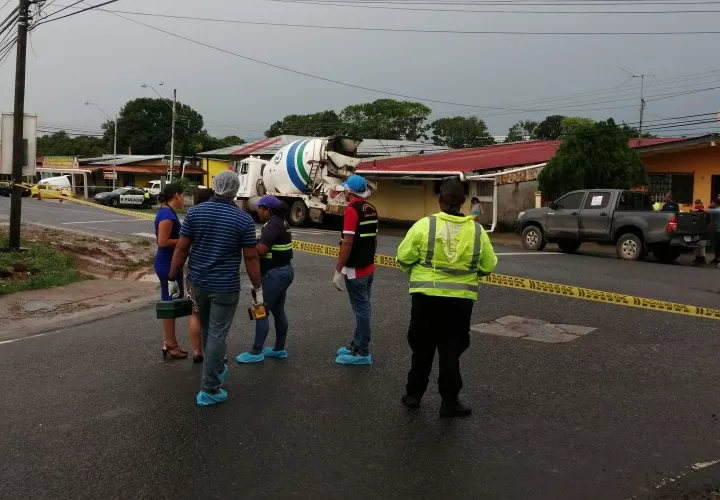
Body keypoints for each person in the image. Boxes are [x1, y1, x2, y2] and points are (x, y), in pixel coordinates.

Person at [397, 178, 498, 418]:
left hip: (425, 299)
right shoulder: (477, 231)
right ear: (463, 202)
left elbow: (404, 257)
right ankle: (450, 402)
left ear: (440, 200)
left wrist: (417, 273)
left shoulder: (424, 225)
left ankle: (413, 395)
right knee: (451, 351)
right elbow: (488, 265)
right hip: (459, 302)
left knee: (422, 348)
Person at [169, 171, 262, 407]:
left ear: (215, 185)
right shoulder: (243, 219)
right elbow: (251, 258)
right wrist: (258, 288)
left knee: (208, 329)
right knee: (217, 333)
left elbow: (181, 249)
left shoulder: (195, 212)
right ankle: (210, 387)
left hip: (197, 283)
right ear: (235, 190)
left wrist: (172, 278)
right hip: (225, 286)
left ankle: (216, 369)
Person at [237, 195, 295, 363]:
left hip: (274, 274)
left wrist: (247, 244)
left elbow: (261, 250)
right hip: (284, 271)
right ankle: (279, 349)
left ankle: (256, 352)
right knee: (278, 310)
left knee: (260, 310)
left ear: (267, 210)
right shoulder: (281, 222)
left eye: (260, 208)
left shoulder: (272, 225)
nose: (258, 211)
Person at [333, 174, 378, 366]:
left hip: (355, 270)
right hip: (368, 267)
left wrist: (338, 271)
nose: (343, 191)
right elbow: (373, 239)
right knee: (364, 308)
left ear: (349, 191)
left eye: (345, 188)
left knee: (361, 311)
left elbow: (348, 242)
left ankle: (362, 352)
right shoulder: (371, 208)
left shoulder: (351, 210)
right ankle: (357, 344)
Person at [154, 182, 190, 361]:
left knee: (171, 301)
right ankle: (170, 344)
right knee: (169, 303)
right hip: (167, 263)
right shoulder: (167, 215)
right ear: (177, 195)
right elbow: (163, 241)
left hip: (170, 262)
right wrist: (187, 240)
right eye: (183, 195)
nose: (184, 199)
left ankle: (170, 342)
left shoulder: (168, 212)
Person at [185, 187, 216, 363]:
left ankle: (198, 352)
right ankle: (216, 352)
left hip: (194, 270)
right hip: (217, 274)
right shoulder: (220, 216)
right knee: (215, 317)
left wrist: (173, 275)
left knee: (196, 313)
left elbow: (182, 247)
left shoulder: (192, 216)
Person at [690, 199, 707, 265]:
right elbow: (691, 213)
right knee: (695, 243)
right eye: (696, 203)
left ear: (701, 204)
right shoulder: (695, 210)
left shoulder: (704, 210)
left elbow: (706, 216)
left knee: (701, 245)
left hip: (702, 229)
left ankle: (702, 258)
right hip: (695, 229)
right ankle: (697, 257)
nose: (696, 204)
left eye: (698, 203)